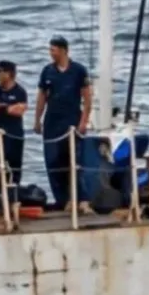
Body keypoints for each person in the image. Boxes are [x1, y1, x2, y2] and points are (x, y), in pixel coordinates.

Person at [33, 36, 93, 213]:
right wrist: (37, 119)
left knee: (75, 160)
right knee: (53, 161)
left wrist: (84, 121)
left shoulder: (78, 70)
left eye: (54, 50)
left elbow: (87, 98)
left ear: (63, 50)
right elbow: (42, 97)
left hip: (72, 120)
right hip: (52, 121)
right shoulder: (47, 71)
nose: (51, 53)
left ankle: (82, 199)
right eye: (50, 50)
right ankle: (64, 200)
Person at [0, 60, 28, 185]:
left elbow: (18, 110)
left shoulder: (19, 91)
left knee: (14, 168)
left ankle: (13, 190)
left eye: (0, 72)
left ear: (9, 73)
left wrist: (2, 108)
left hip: (13, 135)